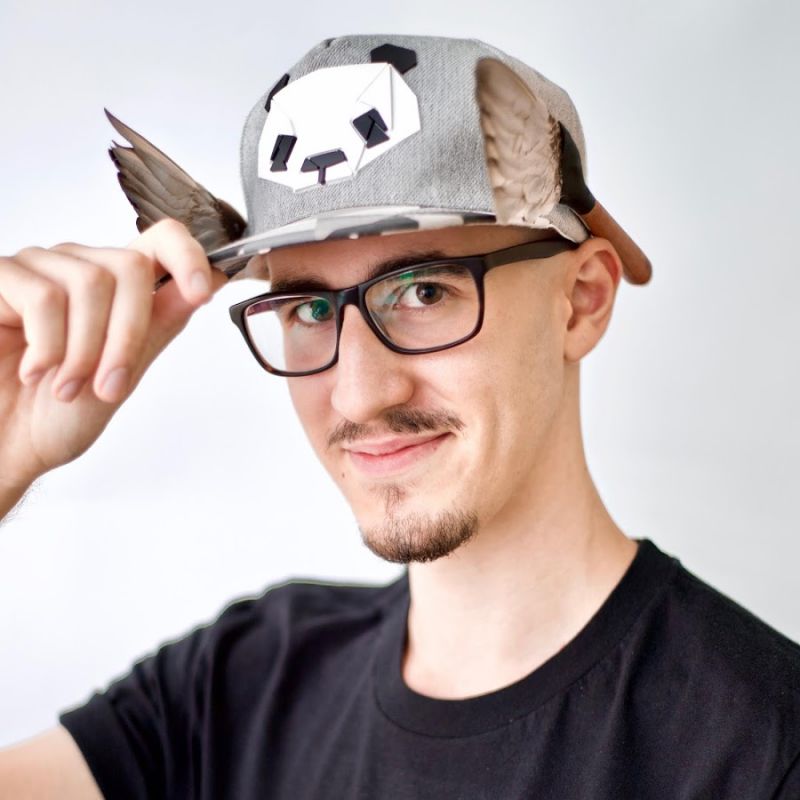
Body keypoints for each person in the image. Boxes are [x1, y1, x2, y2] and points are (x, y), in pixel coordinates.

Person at [1, 33, 798, 799]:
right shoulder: (240, 689)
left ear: (581, 302)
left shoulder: (763, 752)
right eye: (310, 307)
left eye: (423, 291)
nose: (358, 395)